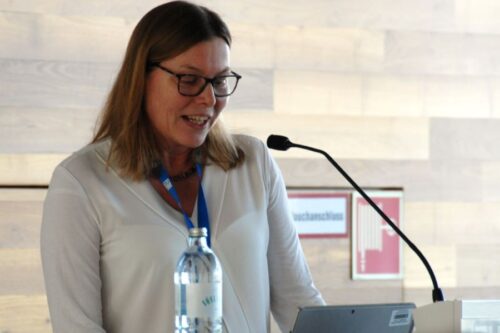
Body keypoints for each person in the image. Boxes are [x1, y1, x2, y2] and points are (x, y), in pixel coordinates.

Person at [40, 1, 325, 332]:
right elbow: (77, 327)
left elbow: (298, 303)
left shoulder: (253, 164)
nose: (208, 99)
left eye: (219, 81)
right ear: (141, 77)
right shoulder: (80, 183)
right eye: (189, 79)